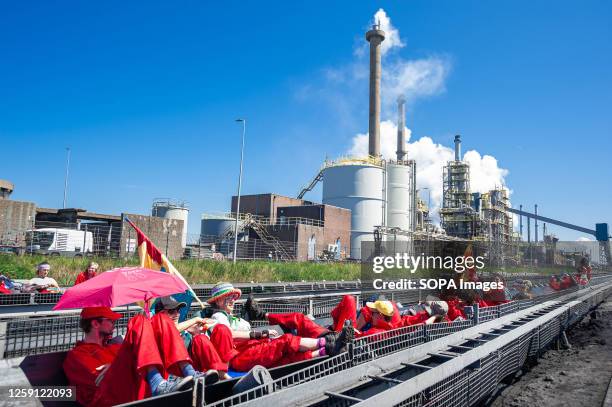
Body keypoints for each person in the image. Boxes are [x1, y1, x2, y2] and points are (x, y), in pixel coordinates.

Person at [204, 282, 352, 372]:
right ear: (217, 302)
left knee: (286, 355)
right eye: (227, 297)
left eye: (233, 297)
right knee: (287, 340)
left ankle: (325, 350)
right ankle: (329, 343)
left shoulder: (235, 319)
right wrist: (259, 334)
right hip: (240, 356)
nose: (232, 300)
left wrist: (264, 336)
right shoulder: (218, 317)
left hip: (252, 348)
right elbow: (228, 334)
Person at [63, 306, 194, 407]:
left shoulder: (114, 347)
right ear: (95, 324)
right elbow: (98, 379)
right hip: (109, 398)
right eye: (110, 320)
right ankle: (157, 383)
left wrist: (114, 366)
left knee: (162, 318)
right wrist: (116, 367)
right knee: (139, 320)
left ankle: (190, 373)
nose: (114, 323)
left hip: (135, 390)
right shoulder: (77, 355)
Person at [154, 295, 226, 379]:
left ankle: (222, 376)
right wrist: (195, 320)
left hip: (194, 371)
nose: (177, 314)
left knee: (201, 339)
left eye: (178, 310)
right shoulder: (156, 329)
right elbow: (171, 329)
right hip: (172, 374)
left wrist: (196, 334)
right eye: (171, 311)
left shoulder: (186, 329)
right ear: (160, 315)